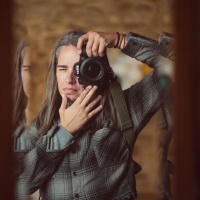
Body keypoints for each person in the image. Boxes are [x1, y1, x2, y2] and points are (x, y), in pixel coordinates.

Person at [23, 30, 174, 200]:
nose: (70, 79)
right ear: (54, 74)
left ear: (97, 70)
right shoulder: (41, 125)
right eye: (62, 68)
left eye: (79, 68)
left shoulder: (123, 109)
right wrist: (63, 132)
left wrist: (120, 40)